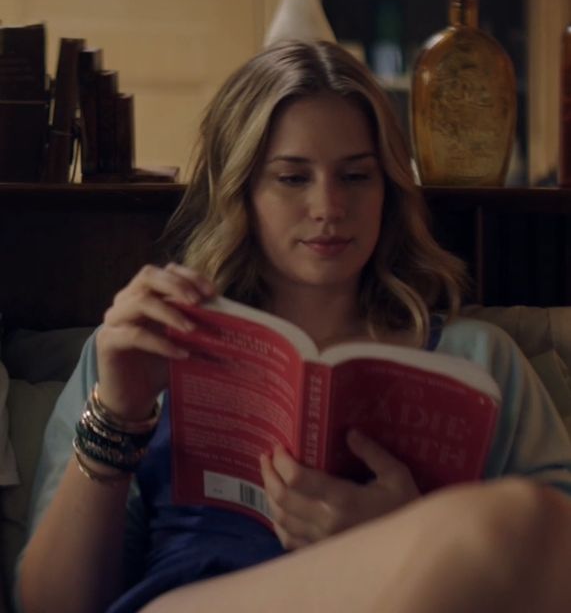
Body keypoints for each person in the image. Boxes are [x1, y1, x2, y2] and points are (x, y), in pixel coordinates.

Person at [16, 40, 571, 613]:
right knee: (514, 522)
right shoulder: (146, 345)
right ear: (242, 191)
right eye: (291, 178)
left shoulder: (479, 359)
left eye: (356, 176)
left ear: (389, 189)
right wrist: (118, 415)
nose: (329, 206)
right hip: (189, 597)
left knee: (530, 525)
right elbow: (49, 605)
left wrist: (405, 527)